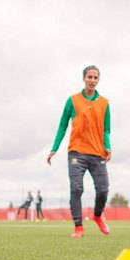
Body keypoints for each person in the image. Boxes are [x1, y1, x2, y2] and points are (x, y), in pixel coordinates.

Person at [47, 65, 111, 238]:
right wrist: (54, 149)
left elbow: (106, 129)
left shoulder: (104, 103)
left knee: (103, 189)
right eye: (89, 77)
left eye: (95, 77)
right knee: (76, 189)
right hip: (77, 152)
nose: (92, 80)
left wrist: (108, 146)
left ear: (98, 80)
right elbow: (62, 125)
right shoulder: (72, 100)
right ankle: (78, 228)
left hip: (98, 153)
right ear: (84, 78)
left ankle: (97, 216)